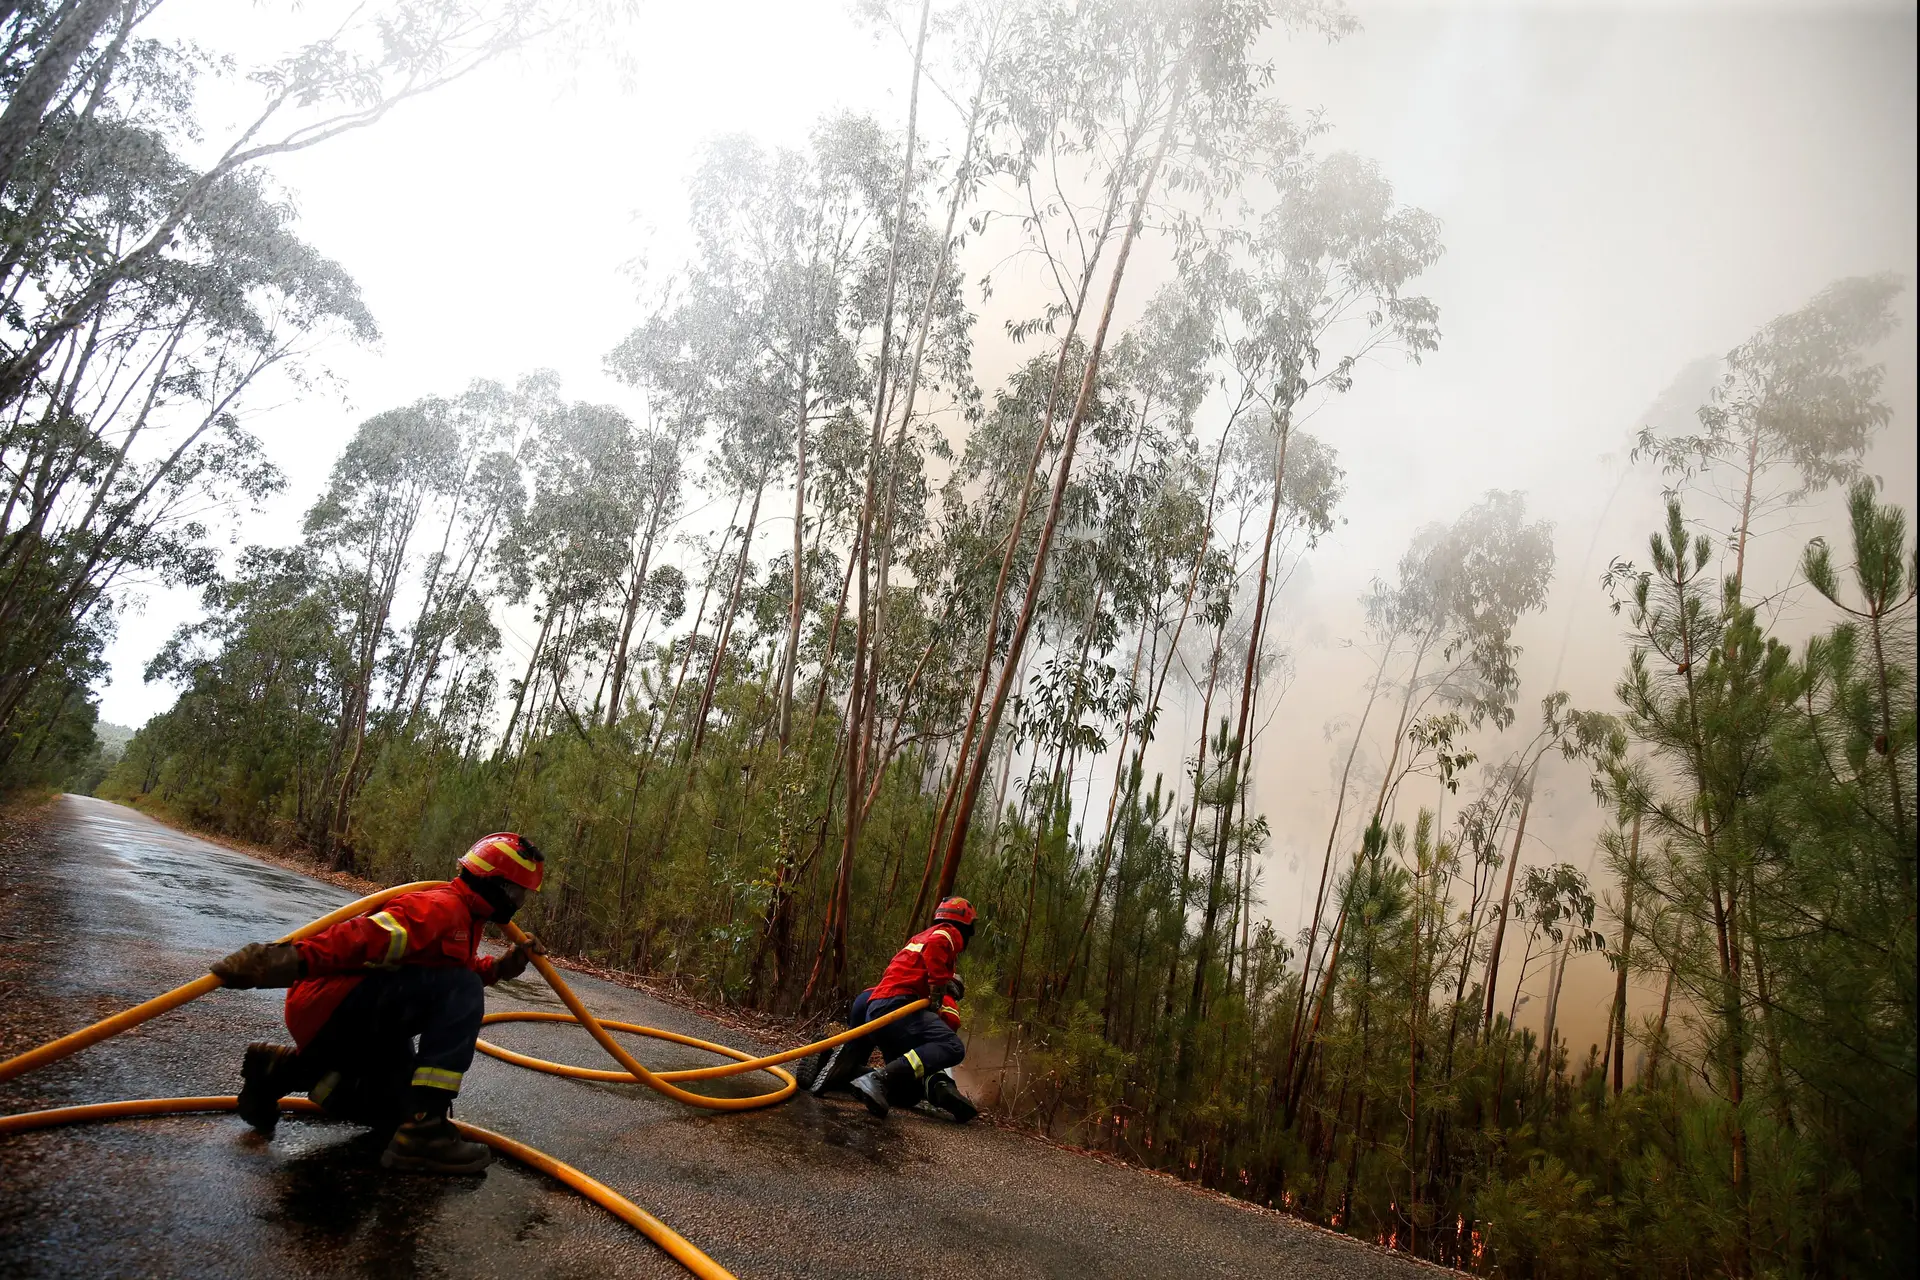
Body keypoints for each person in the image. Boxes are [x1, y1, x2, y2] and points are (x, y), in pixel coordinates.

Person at [209, 832, 547, 1174]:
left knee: (391, 1117)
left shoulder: (466, 916)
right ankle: (425, 1130)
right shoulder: (439, 907)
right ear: (498, 886)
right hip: (330, 1006)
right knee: (464, 989)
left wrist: (500, 968)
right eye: (518, 893)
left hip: (357, 1019)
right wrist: (275, 963)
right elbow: (358, 939)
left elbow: (447, 966)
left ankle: (280, 1073)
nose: (519, 903)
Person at [802, 896, 978, 1123]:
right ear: (964, 926)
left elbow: (866, 999)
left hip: (874, 1008)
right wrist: (940, 988)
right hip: (899, 1009)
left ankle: (845, 1071)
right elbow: (947, 1026)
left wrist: (857, 1037)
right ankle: (883, 1079)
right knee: (952, 1046)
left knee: (906, 1095)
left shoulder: (917, 941)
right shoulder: (946, 935)